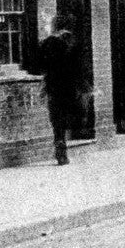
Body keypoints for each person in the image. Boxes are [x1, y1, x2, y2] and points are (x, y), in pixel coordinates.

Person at [39, 14, 80, 165]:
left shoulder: (50, 42)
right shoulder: (72, 41)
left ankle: (60, 147)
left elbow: (41, 61)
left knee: (57, 118)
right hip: (69, 86)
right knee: (64, 116)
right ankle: (63, 146)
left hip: (54, 85)